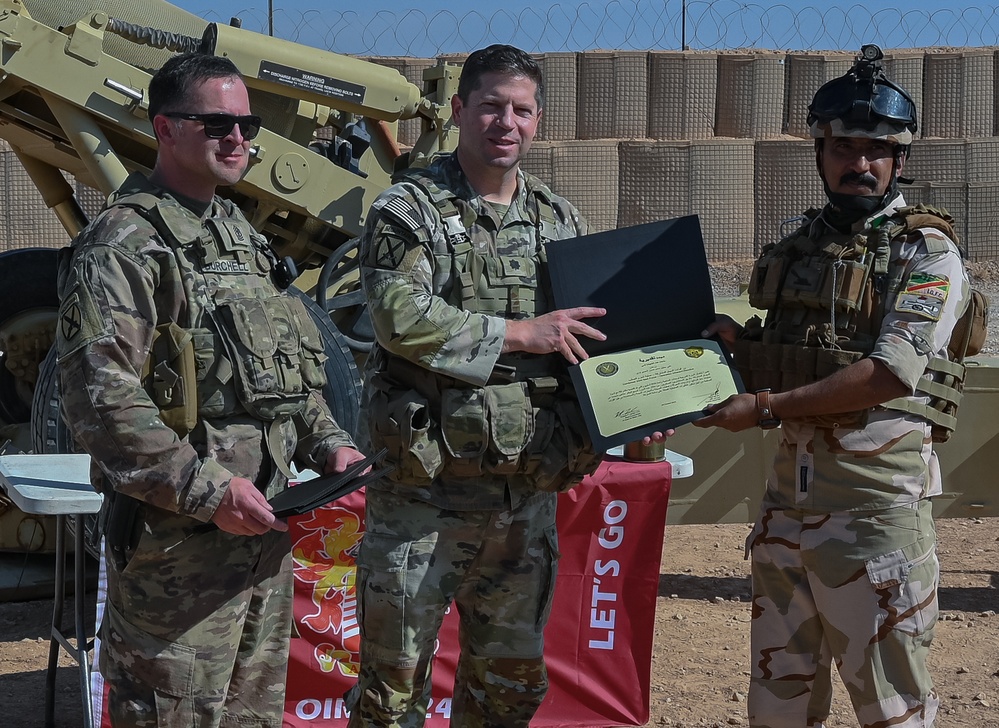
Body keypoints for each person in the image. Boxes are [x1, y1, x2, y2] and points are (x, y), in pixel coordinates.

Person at [56, 53, 365, 727]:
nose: (238, 139)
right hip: (179, 550)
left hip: (263, 536)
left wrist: (331, 443)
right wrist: (207, 490)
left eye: (245, 123)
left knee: (250, 715)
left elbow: (283, 375)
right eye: (215, 122)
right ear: (165, 130)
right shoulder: (124, 245)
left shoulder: (237, 235)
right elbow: (101, 399)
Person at [697, 45, 974, 728]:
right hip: (788, 505)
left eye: (876, 150)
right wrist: (733, 351)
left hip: (872, 516)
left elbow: (887, 372)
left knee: (890, 708)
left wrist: (763, 407)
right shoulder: (800, 244)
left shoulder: (926, 254)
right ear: (819, 153)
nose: (859, 163)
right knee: (779, 700)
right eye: (842, 147)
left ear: (899, 160)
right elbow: (795, 353)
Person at [345, 44, 616, 726]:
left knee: (508, 691)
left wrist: (637, 398)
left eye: (521, 109)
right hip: (422, 503)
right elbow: (395, 316)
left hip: (522, 505)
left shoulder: (559, 221)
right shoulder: (409, 209)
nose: (506, 121)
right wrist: (520, 335)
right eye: (491, 105)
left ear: (538, 121)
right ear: (460, 109)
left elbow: (588, 340)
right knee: (390, 697)